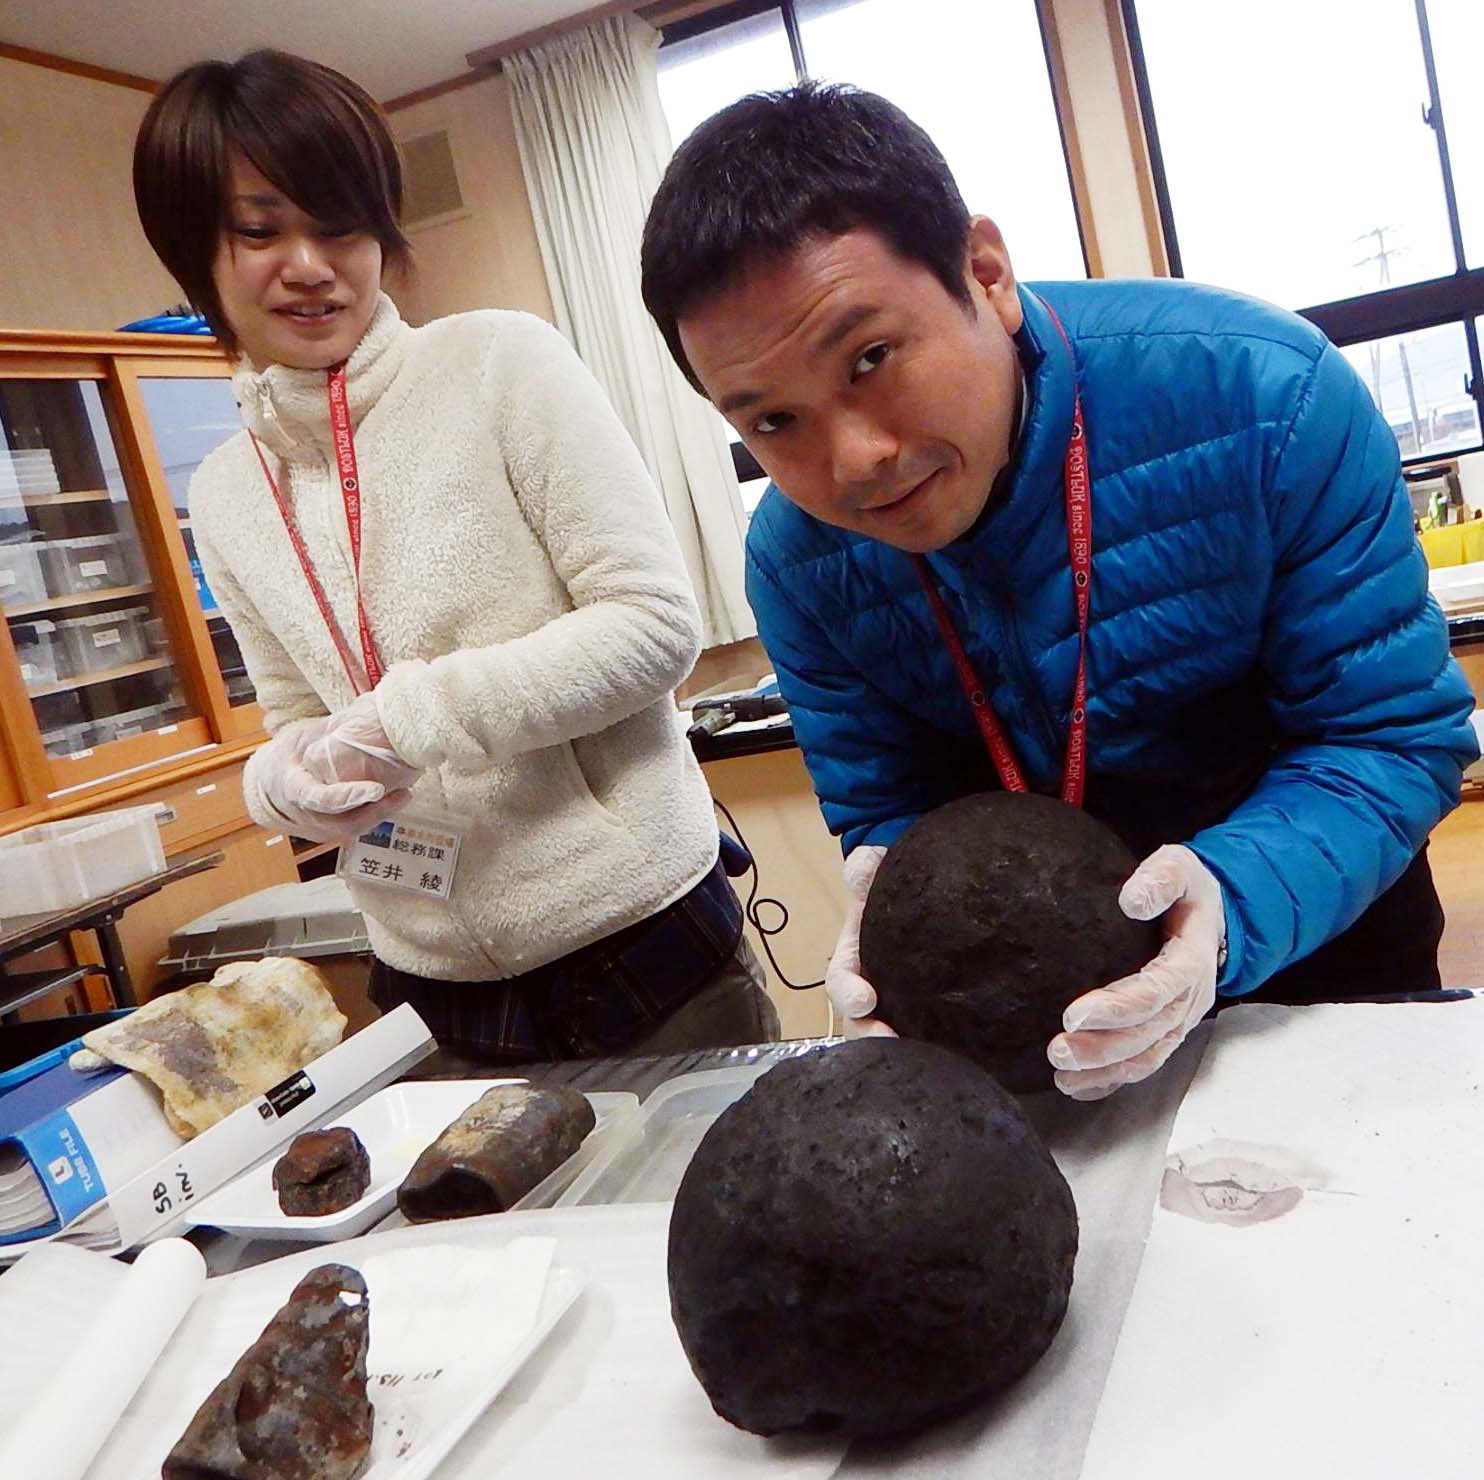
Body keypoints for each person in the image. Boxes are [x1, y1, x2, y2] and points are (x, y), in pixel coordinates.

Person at [639, 82, 1477, 1100]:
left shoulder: (1266, 399)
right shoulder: (795, 557)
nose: (851, 460)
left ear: (982, 272)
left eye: (870, 358)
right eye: (772, 423)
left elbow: (1388, 736)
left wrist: (1225, 907)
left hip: (1322, 956)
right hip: (1046, 1025)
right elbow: (887, 802)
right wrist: (887, 887)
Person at [132, 49, 778, 1066]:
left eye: (338, 224)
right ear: (194, 252)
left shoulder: (499, 362)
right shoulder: (220, 491)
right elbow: (296, 718)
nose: (309, 263)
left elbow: (653, 625)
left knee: (717, 1222)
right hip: (433, 979)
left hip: (637, 936)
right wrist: (286, 785)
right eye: (260, 230)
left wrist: (412, 716)